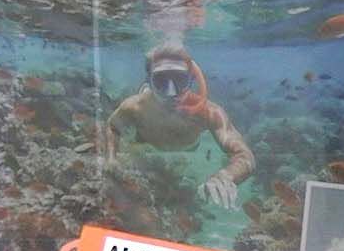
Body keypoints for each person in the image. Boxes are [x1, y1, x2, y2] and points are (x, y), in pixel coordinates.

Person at [104, 41, 255, 209]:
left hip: (189, 147)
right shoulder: (134, 107)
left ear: (191, 80)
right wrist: (111, 158)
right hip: (146, 142)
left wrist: (226, 176)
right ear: (150, 80)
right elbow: (112, 127)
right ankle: (149, 89)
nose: (171, 92)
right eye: (161, 80)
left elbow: (245, 156)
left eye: (179, 80)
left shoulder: (209, 112)